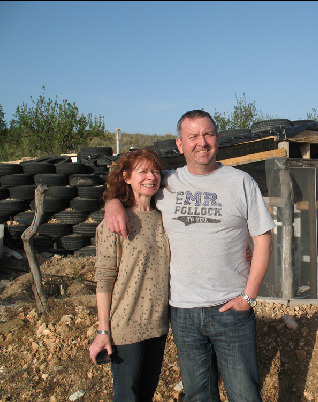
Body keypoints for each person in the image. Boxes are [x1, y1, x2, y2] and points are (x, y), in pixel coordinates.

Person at [104, 110, 275, 401]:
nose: (201, 142)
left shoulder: (240, 182)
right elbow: (129, 189)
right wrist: (112, 204)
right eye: (193, 136)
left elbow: (263, 239)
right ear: (180, 144)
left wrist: (248, 296)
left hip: (231, 310)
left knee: (244, 393)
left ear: (217, 139)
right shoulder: (165, 183)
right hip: (183, 313)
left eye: (207, 134)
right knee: (197, 395)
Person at [88, 148, 170, 401]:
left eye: (155, 171)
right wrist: (103, 331)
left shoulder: (165, 218)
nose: (150, 177)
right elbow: (104, 278)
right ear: (126, 177)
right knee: (127, 397)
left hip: (158, 325)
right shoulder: (115, 222)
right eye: (142, 171)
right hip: (126, 326)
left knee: (146, 393)